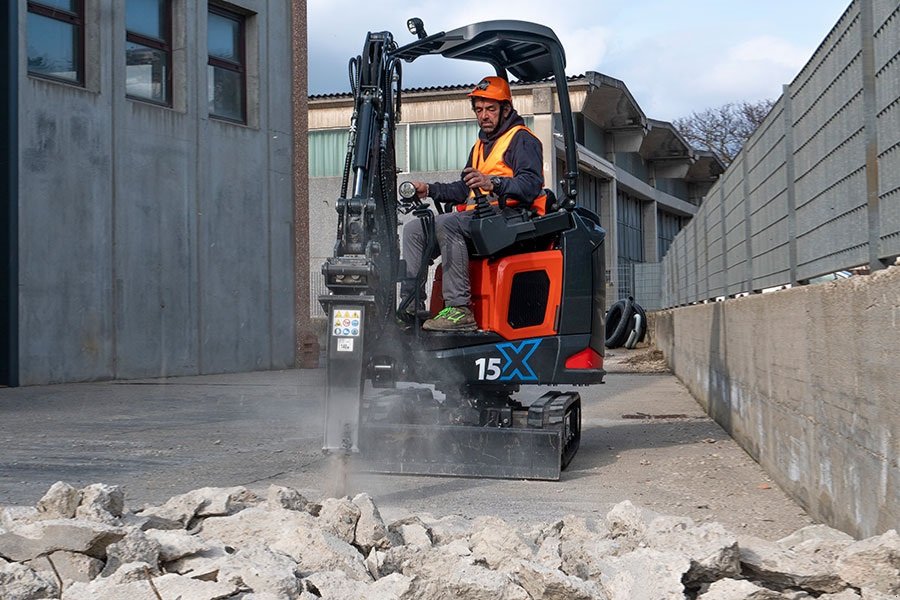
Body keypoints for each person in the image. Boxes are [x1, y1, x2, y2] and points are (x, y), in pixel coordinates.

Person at [401, 76, 547, 332]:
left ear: (506, 109)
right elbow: (463, 189)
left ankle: (459, 309)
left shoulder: (522, 140)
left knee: (448, 223)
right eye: (479, 110)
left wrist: (494, 183)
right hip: (479, 219)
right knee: (414, 230)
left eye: (490, 109)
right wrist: (430, 189)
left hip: (511, 217)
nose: (484, 116)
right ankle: (411, 304)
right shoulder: (479, 146)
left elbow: (531, 184)